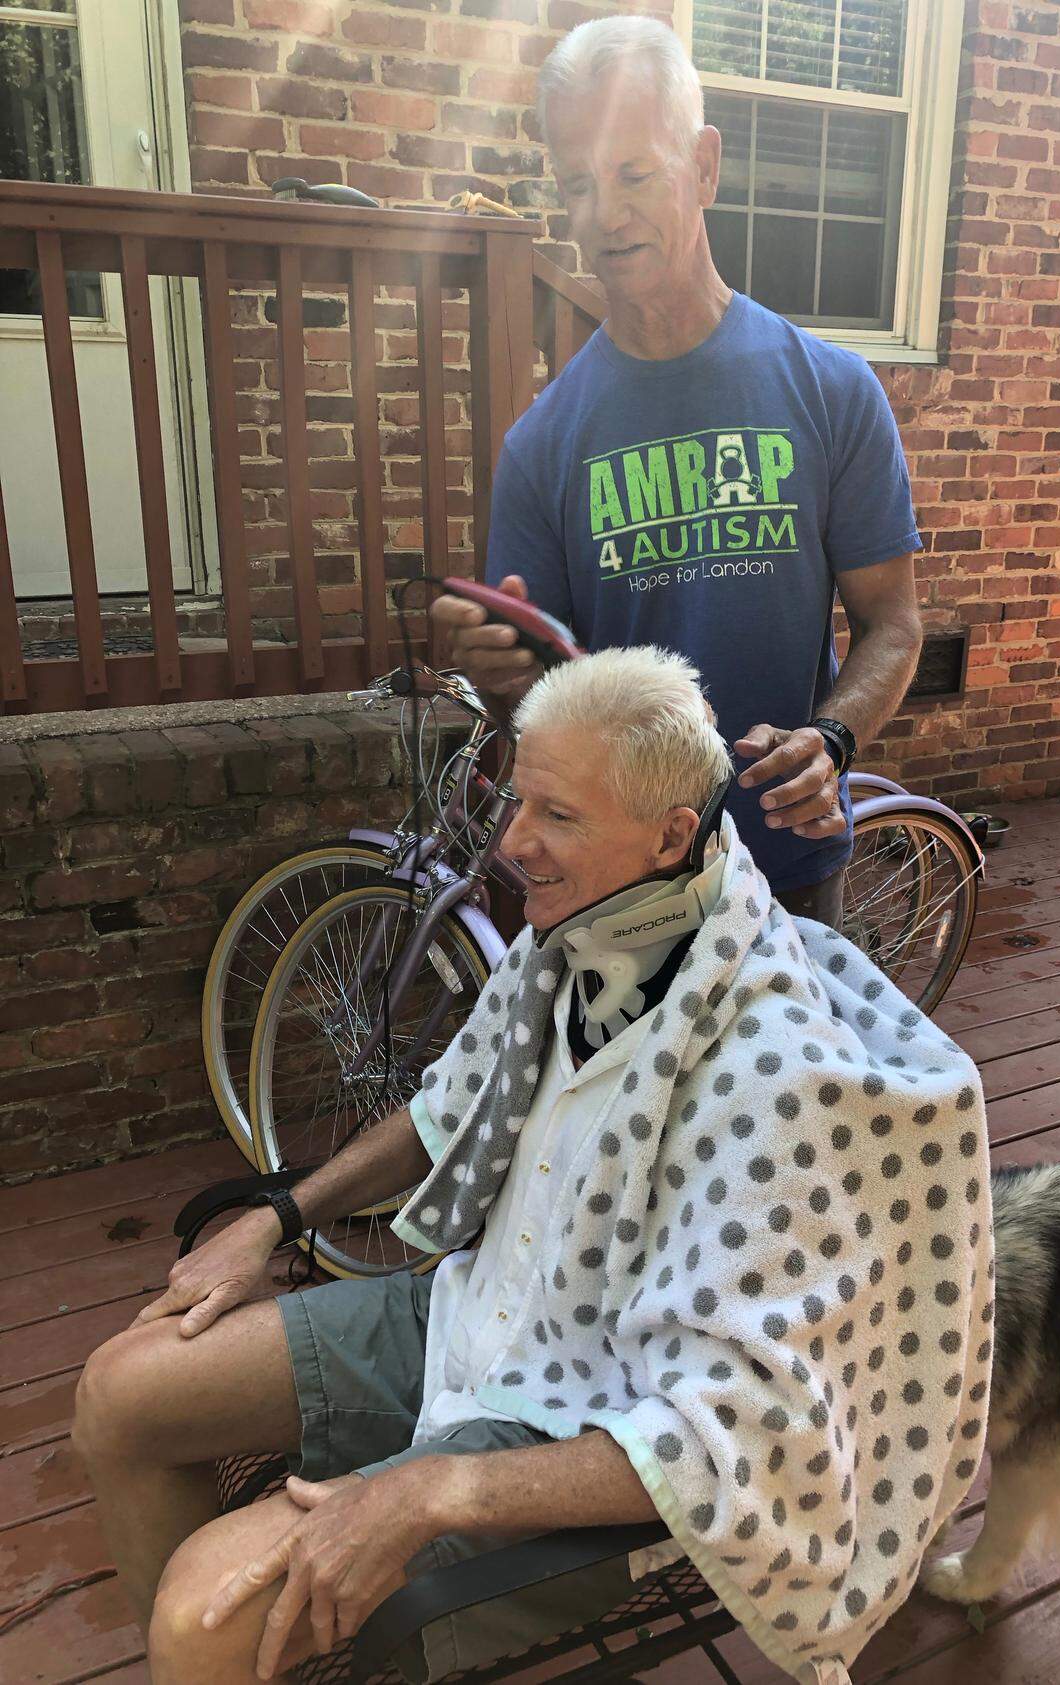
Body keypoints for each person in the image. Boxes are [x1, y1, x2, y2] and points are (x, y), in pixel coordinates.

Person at [74, 649, 991, 1685]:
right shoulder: (582, 934)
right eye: (519, 798)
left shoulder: (771, 1071)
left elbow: (729, 1437)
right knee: (120, 1394)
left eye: (556, 813)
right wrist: (278, 1216)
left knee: (201, 1616)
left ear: (670, 835)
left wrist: (436, 1489)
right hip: (480, 1313)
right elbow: (448, 1107)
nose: (512, 842)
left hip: (591, 1416)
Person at [432, 15, 924, 931]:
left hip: (786, 872)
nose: (605, 214)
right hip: (617, 894)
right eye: (579, 183)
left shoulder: (832, 391)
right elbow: (538, 713)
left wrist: (832, 738)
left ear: (703, 166)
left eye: (634, 173)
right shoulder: (542, 444)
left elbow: (892, 624)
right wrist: (500, 675)